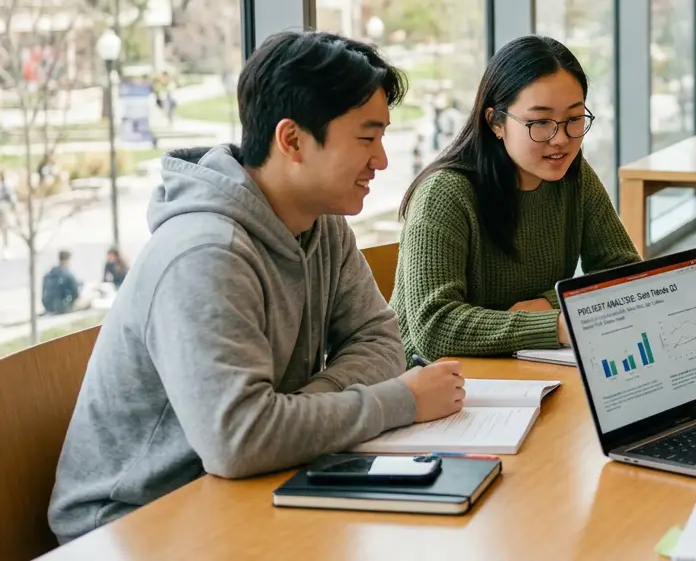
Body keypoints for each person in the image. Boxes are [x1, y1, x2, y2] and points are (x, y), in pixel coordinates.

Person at [50, 30, 466, 543]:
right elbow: (240, 439)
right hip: (132, 524)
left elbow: (381, 340)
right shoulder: (205, 253)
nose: (381, 160)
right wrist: (397, 401)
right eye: (366, 137)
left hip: (253, 484)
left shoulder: (323, 224)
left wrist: (296, 413)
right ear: (291, 139)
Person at [391, 35, 639, 359]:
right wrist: (559, 325)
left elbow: (627, 275)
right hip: (433, 385)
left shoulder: (572, 177)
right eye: (540, 122)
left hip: (523, 369)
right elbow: (435, 328)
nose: (561, 139)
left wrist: (548, 305)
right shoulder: (445, 194)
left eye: (574, 120)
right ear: (496, 121)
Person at [41, 250, 86, 315]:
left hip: (48, 307)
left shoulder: (49, 273)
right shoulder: (68, 274)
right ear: (69, 259)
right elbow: (75, 295)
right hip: (62, 309)